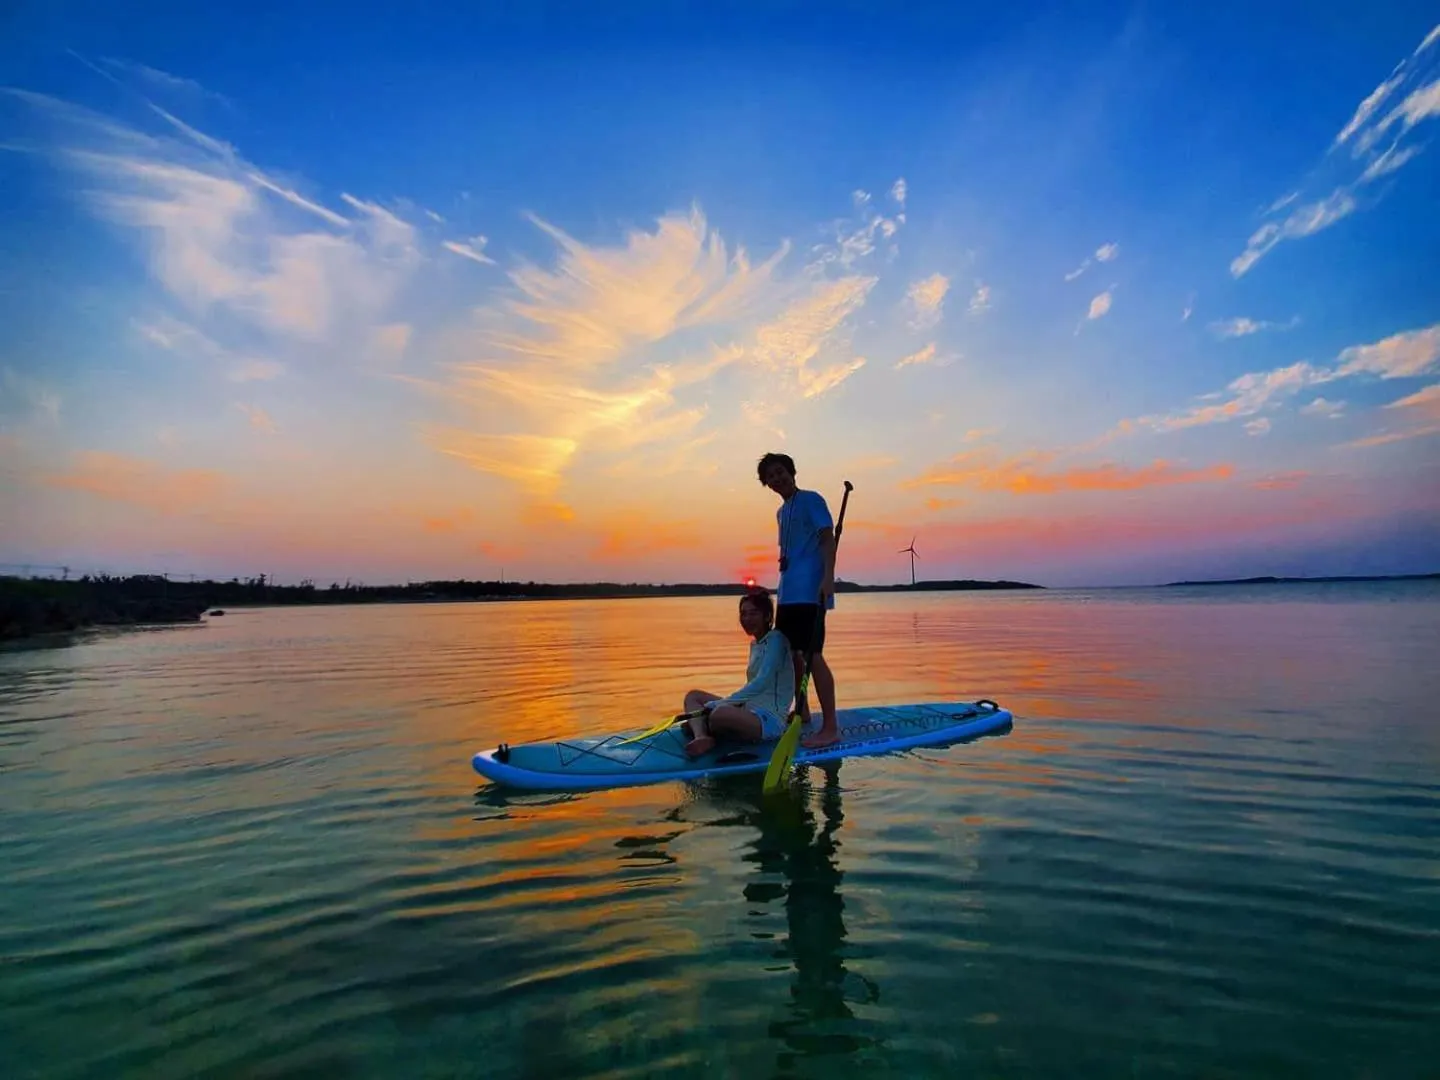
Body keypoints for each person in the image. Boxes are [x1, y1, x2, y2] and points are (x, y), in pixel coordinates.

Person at [756, 451, 840, 748]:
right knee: (793, 653)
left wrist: (828, 577)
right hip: (788, 591)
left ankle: (831, 726)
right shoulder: (781, 512)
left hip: (810, 590)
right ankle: (802, 710)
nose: (777, 478)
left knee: (813, 653)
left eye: (780, 472)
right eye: (770, 476)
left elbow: (827, 538)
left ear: (791, 472)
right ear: (766, 483)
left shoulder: (812, 500)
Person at [680, 589, 794, 758]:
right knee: (693, 696)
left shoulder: (776, 640)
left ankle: (707, 725)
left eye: (753, 613)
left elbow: (762, 682)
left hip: (769, 720)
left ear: (767, 616)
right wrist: (731, 704)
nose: (747, 619)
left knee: (719, 714)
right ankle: (702, 736)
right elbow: (752, 686)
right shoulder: (755, 644)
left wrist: (723, 703)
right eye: (743, 614)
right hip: (749, 708)